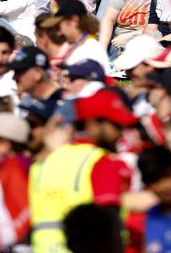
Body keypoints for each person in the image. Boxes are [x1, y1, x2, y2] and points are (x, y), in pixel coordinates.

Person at [28, 88, 134, 253]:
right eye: (115, 124)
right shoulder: (103, 161)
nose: (120, 131)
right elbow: (110, 220)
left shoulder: (42, 164)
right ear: (92, 125)